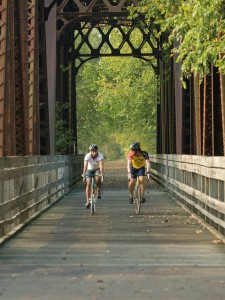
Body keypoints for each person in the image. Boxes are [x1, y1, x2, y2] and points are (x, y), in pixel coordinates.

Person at [82, 144, 104, 209]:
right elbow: (85, 165)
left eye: (95, 151)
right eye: (92, 151)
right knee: (88, 184)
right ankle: (87, 201)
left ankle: (98, 190)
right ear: (90, 151)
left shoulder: (100, 155)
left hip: (97, 169)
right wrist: (83, 173)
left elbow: (101, 165)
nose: (94, 153)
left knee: (98, 179)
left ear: (97, 151)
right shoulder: (87, 156)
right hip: (89, 169)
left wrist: (102, 173)